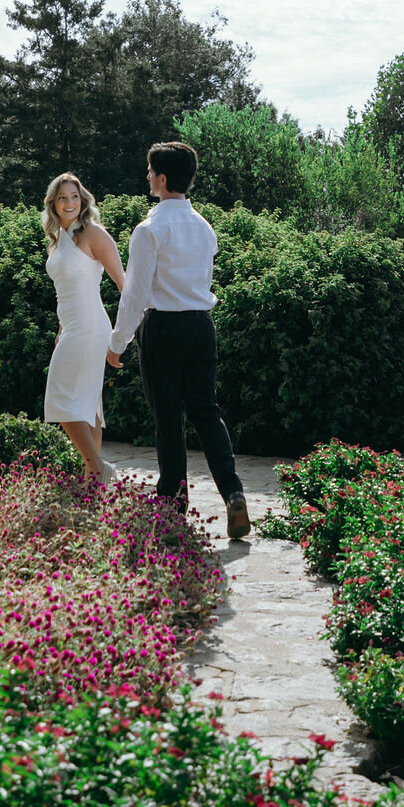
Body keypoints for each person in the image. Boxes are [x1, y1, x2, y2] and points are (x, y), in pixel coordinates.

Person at [106, 141, 251, 539]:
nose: (147, 176)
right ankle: (234, 492)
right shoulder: (204, 227)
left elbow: (135, 294)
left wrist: (117, 341)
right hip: (201, 326)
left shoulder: (149, 229)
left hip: (163, 328)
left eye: (151, 171)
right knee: (207, 412)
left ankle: (171, 503)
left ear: (163, 178)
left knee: (168, 416)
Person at [42, 172, 125, 480]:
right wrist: (61, 329)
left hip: (91, 328)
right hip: (71, 327)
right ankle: (94, 484)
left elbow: (122, 281)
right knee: (88, 403)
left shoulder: (94, 234)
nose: (69, 203)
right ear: (53, 202)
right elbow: (64, 291)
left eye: (74, 197)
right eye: (63, 197)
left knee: (61, 400)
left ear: (83, 200)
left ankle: (99, 470)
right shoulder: (57, 240)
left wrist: (125, 330)